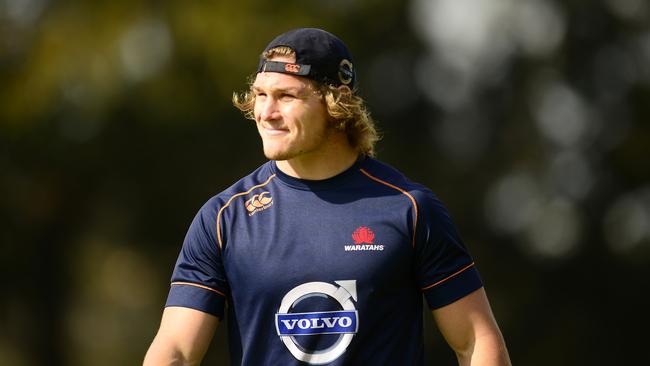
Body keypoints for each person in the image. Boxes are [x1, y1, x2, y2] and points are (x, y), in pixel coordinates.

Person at [144, 28, 511, 366]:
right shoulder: (224, 218)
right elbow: (176, 349)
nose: (266, 113)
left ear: (337, 102)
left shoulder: (410, 208)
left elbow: (476, 341)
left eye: (286, 96)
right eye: (260, 95)